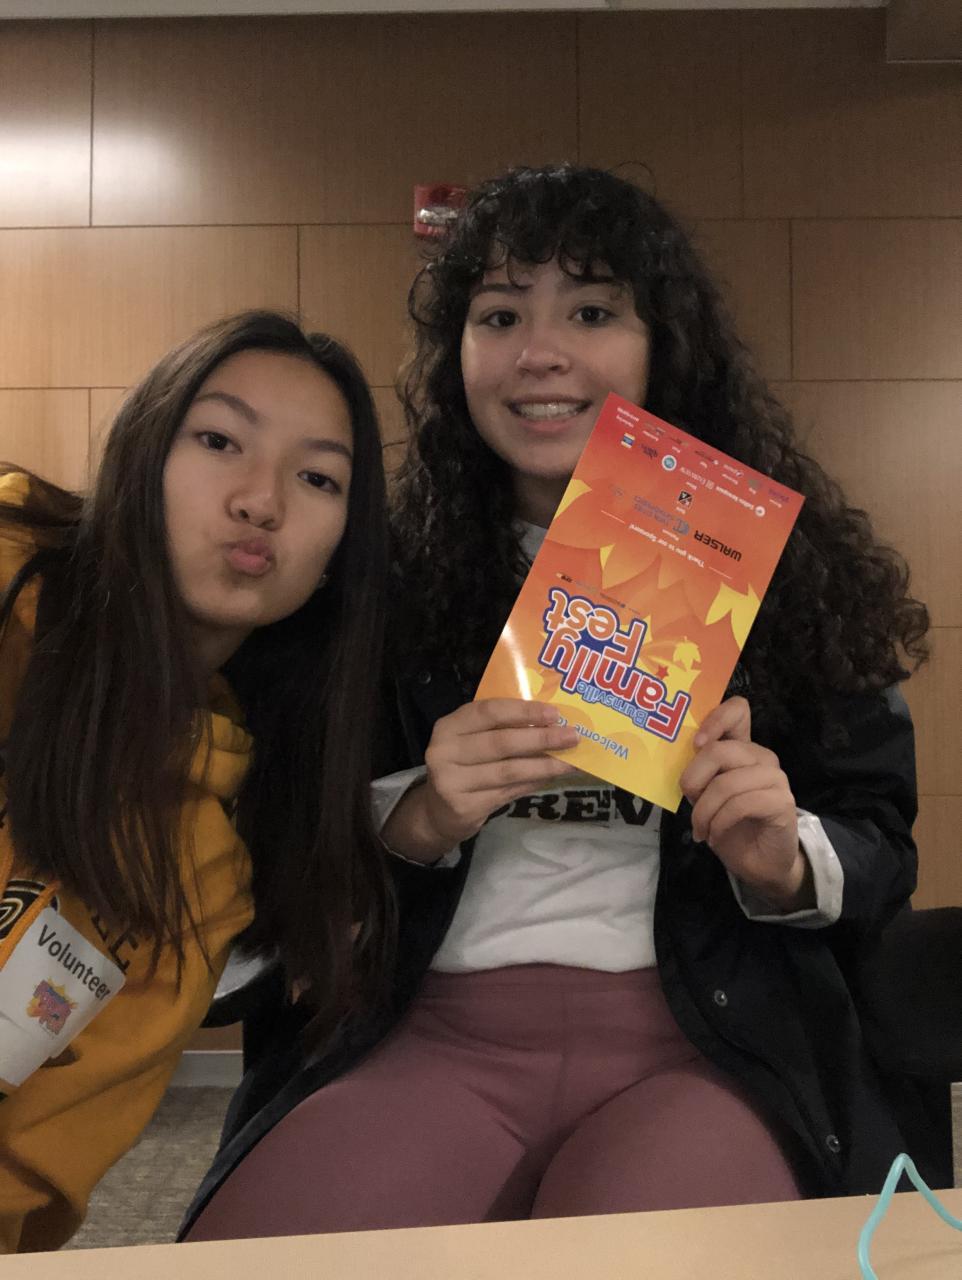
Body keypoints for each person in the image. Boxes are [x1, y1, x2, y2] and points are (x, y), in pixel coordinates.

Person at [181, 166, 930, 1242]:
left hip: (707, 1041)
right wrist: (417, 816)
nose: (538, 352)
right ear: (456, 356)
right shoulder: (377, 579)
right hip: (425, 1029)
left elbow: (878, 844)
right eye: (499, 316)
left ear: (664, 344)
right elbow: (275, 837)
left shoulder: (787, 574)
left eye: (590, 311)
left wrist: (783, 857)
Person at [0, 310, 392, 1252]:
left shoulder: (205, 872)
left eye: (318, 478)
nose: (261, 501)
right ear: (143, 453)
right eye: (219, 441)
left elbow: (28, 1176)